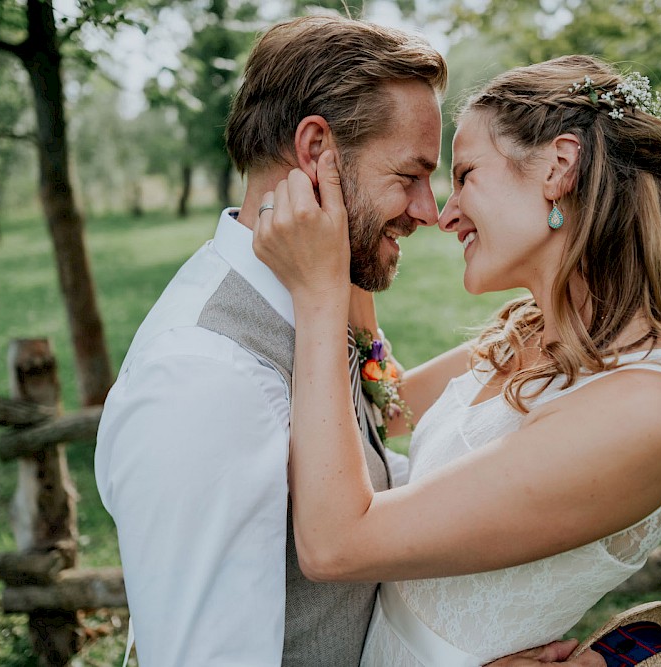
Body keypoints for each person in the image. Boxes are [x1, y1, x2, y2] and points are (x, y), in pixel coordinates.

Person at [96, 14, 597, 667]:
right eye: (409, 174)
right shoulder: (206, 378)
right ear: (315, 153)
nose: (428, 209)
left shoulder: (312, 302)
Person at [253, 54, 661, 665]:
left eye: (465, 176)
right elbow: (388, 407)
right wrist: (353, 234)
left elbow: (333, 546)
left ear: (559, 167)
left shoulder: (650, 405)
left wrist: (321, 293)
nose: (444, 212)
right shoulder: (531, 332)